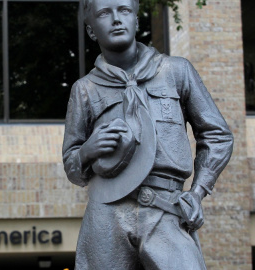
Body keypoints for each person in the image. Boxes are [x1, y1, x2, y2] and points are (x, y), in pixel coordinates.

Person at [62, 0, 234, 269]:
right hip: (106, 212)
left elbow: (217, 135)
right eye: (105, 13)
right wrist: (86, 151)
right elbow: (71, 166)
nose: (116, 19)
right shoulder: (84, 89)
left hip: (166, 206)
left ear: (137, 21)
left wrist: (197, 192)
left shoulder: (176, 71)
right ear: (92, 31)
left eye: (125, 11)